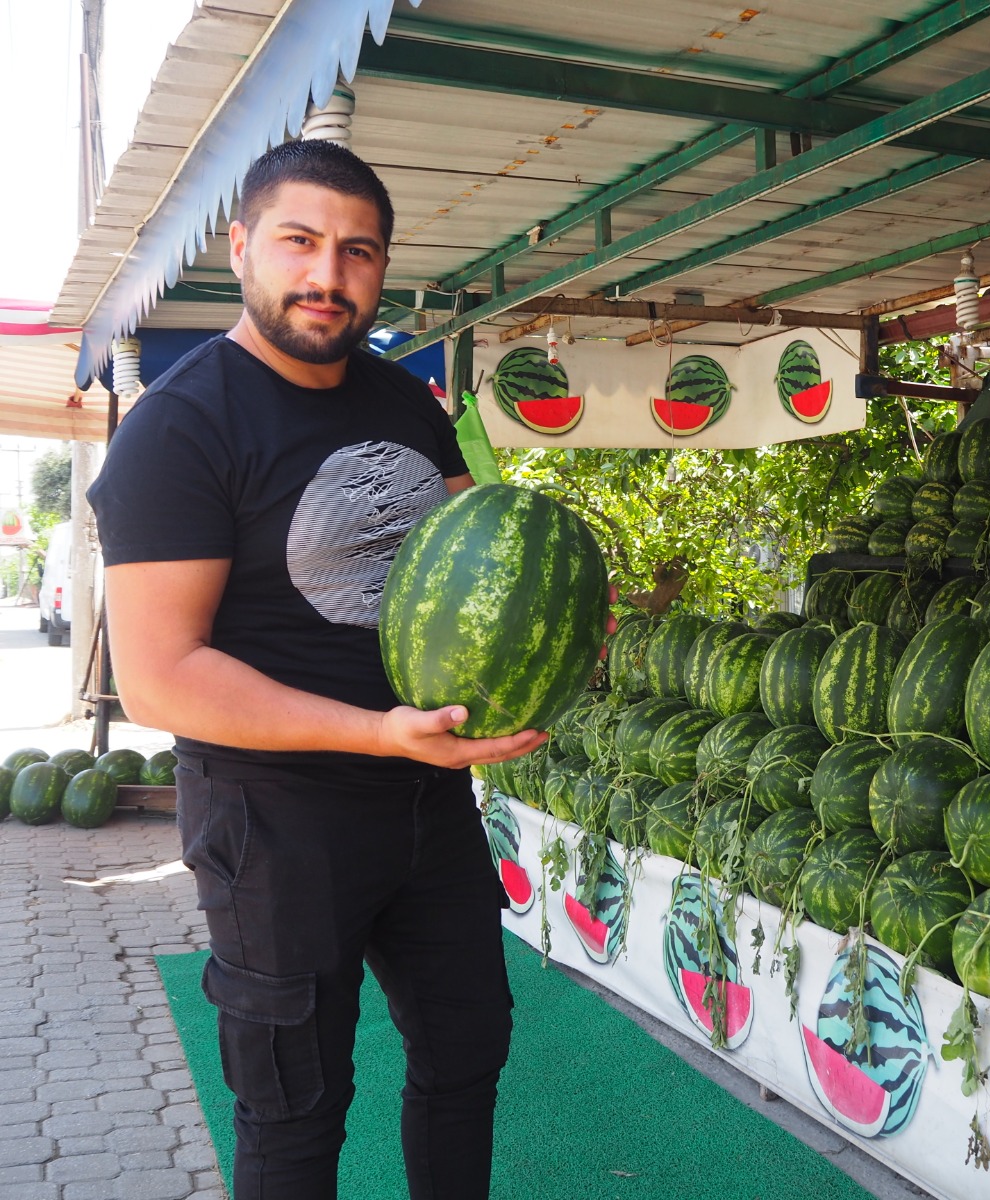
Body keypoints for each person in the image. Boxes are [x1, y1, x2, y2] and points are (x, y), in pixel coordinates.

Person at [89, 139, 598, 1199]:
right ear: (242, 248)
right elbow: (160, 676)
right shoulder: (179, 434)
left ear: (381, 268)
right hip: (274, 821)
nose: (328, 275)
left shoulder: (403, 399)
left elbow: (478, 545)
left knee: (468, 1053)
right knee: (295, 1105)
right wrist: (372, 731)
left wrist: (559, 620)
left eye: (358, 251)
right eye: (300, 241)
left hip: (425, 800)